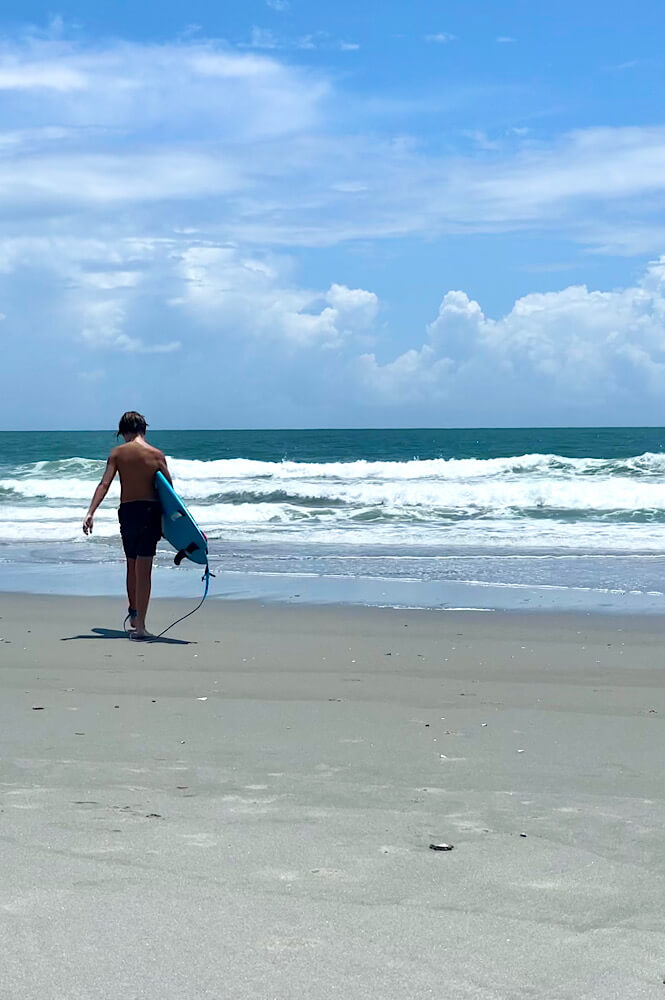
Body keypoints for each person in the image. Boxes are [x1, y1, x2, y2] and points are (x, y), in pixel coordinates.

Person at [83, 411, 172, 640]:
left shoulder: (118, 454)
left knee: (131, 565)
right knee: (145, 569)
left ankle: (133, 614)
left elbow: (104, 484)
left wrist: (90, 512)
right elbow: (170, 494)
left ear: (123, 431)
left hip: (128, 513)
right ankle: (141, 626)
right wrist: (172, 524)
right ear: (143, 429)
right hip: (150, 512)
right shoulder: (157, 455)